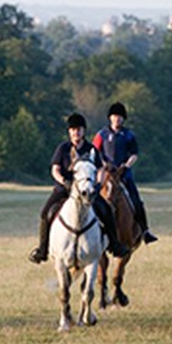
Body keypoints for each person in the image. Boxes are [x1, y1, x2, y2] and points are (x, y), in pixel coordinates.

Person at [28, 112, 130, 264]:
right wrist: (63, 181)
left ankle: (115, 245)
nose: (76, 132)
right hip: (64, 189)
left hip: (87, 191)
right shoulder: (62, 148)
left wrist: (98, 184)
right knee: (45, 214)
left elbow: (101, 169)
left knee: (107, 210)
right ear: (69, 132)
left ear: (83, 131)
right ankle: (42, 250)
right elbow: (55, 169)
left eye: (79, 129)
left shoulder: (91, 149)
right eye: (73, 129)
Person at [92, 102, 158, 245]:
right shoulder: (101, 134)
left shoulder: (128, 135)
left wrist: (126, 165)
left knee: (136, 200)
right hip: (106, 173)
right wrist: (103, 164)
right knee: (93, 196)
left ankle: (145, 230)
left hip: (123, 174)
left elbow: (134, 154)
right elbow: (94, 152)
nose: (118, 119)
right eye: (115, 116)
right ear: (110, 117)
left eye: (120, 117)